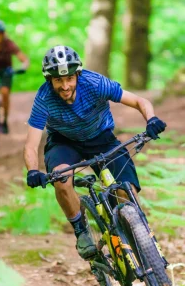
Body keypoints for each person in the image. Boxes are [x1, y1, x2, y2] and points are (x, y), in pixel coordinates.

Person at [24, 45, 166, 260]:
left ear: (78, 75)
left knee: (125, 192)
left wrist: (151, 119)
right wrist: (32, 170)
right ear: (49, 80)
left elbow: (139, 101)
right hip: (64, 142)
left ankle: (140, 242)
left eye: (69, 78)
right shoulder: (44, 98)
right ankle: (81, 230)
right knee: (61, 179)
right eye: (58, 80)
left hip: (101, 138)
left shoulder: (95, 83)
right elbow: (31, 145)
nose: (65, 86)